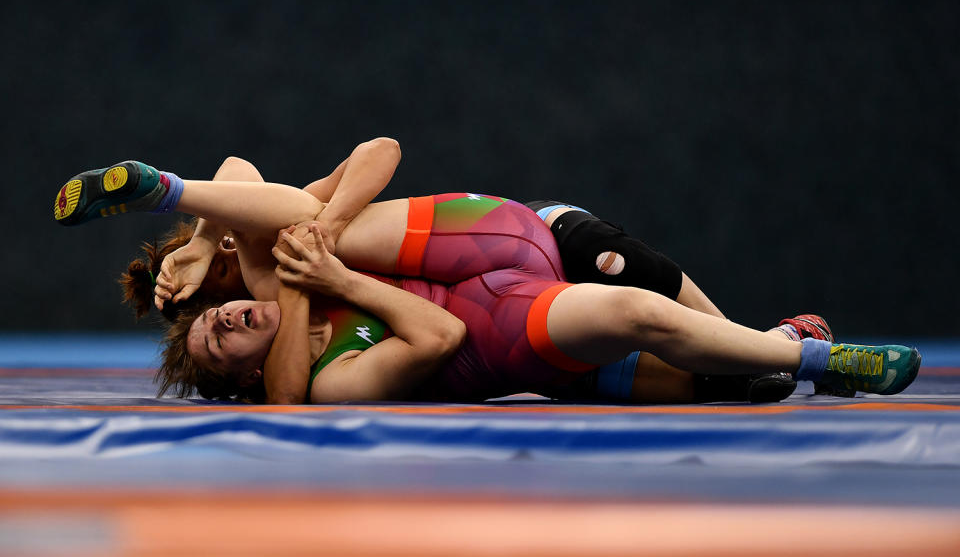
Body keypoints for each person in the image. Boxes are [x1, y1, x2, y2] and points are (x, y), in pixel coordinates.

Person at [53, 160, 922, 405]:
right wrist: (328, 279)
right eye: (224, 333)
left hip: (506, 235)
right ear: (241, 370)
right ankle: (800, 359)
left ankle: (162, 187)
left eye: (216, 317)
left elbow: (374, 154)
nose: (235, 314)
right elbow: (441, 338)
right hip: (500, 311)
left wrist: (208, 239)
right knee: (655, 323)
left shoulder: (272, 271)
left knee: (313, 223)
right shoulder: (313, 377)